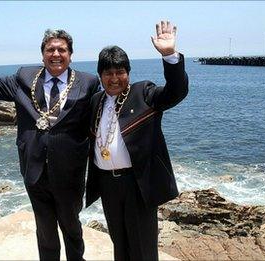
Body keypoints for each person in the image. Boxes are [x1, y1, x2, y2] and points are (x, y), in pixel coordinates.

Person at [0, 29, 99, 260]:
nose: (55, 54)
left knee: (72, 227)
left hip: (69, 172)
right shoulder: (24, 78)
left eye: (61, 49)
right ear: (42, 54)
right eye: (50, 49)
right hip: (35, 171)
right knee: (45, 232)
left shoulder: (88, 82)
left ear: (70, 55)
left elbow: (102, 115)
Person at [85, 20, 188, 260]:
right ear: (100, 75)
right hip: (108, 185)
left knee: (142, 249)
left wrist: (170, 55)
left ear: (128, 74)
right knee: (119, 245)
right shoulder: (95, 102)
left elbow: (176, 92)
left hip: (137, 185)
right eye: (108, 73)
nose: (114, 78)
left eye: (120, 72)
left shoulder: (143, 93)